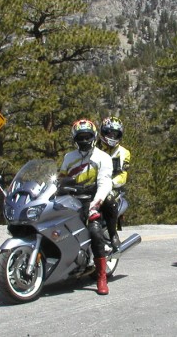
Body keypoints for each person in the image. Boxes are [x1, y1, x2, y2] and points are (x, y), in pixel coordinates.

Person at [58, 119, 113, 295]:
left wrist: (95, 204)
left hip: (92, 199)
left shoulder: (103, 158)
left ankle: (101, 277)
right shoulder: (69, 157)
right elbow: (60, 178)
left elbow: (105, 183)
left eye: (86, 136)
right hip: (71, 199)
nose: (83, 140)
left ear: (94, 136)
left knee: (95, 232)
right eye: (80, 137)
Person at [98, 116, 131, 251]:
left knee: (109, 198)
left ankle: (113, 235)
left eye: (115, 134)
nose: (112, 136)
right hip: (93, 184)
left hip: (113, 186)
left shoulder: (124, 152)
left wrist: (109, 183)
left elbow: (123, 175)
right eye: (109, 132)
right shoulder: (95, 148)